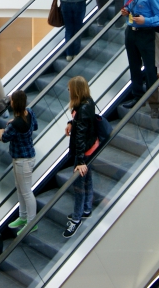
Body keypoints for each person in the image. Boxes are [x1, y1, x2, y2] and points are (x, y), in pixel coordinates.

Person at [122, 0, 159, 119]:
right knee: (134, 66)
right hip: (131, 32)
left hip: (145, 34)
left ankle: (154, 105)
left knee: (149, 69)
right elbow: (128, 6)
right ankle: (137, 97)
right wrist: (126, 12)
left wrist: (146, 21)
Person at [0, 90, 38, 234]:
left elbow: (5, 138)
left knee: (26, 191)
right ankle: (23, 216)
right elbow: (35, 126)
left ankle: (32, 223)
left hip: (22, 160)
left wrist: (0, 132)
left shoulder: (14, 125)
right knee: (20, 187)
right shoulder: (30, 112)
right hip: (28, 155)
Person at [63, 76, 97, 238]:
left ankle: (76, 219)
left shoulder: (83, 109)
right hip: (91, 148)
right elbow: (79, 120)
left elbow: (80, 136)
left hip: (83, 153)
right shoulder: (88, 101)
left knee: (78, 186)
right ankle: (86, 208)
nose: (68, 90)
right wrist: (72, 122)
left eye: (70, 88)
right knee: (88, 180)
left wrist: (81, 161)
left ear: (76, 90)